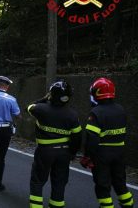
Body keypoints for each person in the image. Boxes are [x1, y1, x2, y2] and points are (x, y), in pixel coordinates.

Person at [27, 80, 82, 208]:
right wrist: (72, 153)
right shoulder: (73, 115)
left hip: (45, 151)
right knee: (59, 183)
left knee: (37, 181)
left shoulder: (41, 109)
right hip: (64, 153)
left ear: (52, 94)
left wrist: (44, 98)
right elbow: (77, 137)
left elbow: (29, 107)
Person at [81, 78, 134, 208]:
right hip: (120, 152)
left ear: (96, 93)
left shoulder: (96, 112)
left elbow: (92, 138)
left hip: (102, 154)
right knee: (120, 183)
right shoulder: (120, 109)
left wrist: (87, 156)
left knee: (102, 186)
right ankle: (128, 205)